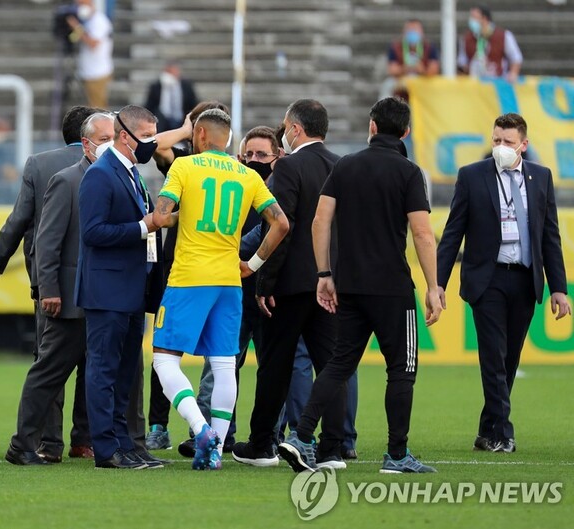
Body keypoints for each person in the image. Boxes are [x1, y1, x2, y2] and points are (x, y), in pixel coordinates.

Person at [277, 97, 443, 475]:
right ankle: (397, 455)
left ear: (371, 126)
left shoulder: (346, 166)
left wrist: (324, 275)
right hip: (392, 289)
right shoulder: (409, 172)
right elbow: (422, 232)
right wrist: (433, 286)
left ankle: (302, 436)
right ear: (406, 132)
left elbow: (320, 222)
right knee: (401, 369)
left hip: (349, 285)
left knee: (338, 365)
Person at [151, 109, 289, 470]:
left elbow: (162, 215)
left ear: (199, 134)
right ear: (228, 139)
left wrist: (182, 215)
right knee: (225, 364)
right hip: (230, 280)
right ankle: (214, 451)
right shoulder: (247, 175)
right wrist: (253, 264)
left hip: (189, 278)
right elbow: (281, 223)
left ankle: (201, 431)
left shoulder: (185, 167)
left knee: (164, 359)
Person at [437, 113, 570, 453]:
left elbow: (550, 235)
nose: (500, 147)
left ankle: (487, 430)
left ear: (523, 145)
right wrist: (438, 283)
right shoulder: (471, 176)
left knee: (509, 360)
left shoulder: (541, 177)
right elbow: (453, 233)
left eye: (508, 142)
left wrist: (558, 288)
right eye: (496, 140)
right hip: (488, 278)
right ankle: (504, 433)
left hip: (525, 277)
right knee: (493, 357)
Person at [0, 105, 96, 462]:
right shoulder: (112, 164)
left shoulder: (39, 164)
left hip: (49, 281)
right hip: (99, 281)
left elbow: (20, 219)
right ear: (88, 135)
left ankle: (49, 443)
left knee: (50, 361)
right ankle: (84, 440)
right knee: (92, 362)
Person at [232, 99, 346, 470]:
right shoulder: (341, 165)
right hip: (328, 283)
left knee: (275, 365)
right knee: (331, 365)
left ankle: (263, 444)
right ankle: (332, 449)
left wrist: (263, 280)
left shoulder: (290, 166)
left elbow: (281, 226)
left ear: (295, 130)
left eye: (285, 127)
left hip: (290, 286)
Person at [5, 112, 115, 465]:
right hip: (68, 297)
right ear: (86, 141)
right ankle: (25, 444)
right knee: (49, 371)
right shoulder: (66, 179)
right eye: (106, 136)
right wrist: (49, 288)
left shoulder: (119, 177)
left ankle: (87, 440)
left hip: (103, 296)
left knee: (99, 372)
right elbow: (46, 240)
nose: (114, 142)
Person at [76, 105, 161, 469]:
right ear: (125, 136)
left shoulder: (130, 172)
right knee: (103, 370)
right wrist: (146, 226)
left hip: (130, 288)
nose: (152, 144)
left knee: (125, 372)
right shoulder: (100, 174)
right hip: (107, 290)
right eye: (147, 136)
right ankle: (106, 450)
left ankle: (124, 443)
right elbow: (92, 232)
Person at [67, 0, 113, 108]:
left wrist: (76, 28)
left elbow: (93, 43)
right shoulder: (88, 21)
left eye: (82, 4)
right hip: (88, 71)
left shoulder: (99, 21)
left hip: (97, 73)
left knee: (98, 109)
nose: (79, 7)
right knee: (90, 107)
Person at [458, 5, 522, 82]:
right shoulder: (466, 39)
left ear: (484, 19)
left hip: (497, 83)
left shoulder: (504, 36)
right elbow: (462, 62)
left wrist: (513, 73)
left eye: (474, 17)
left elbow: (516, 58)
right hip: (475, 85)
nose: (471, 21)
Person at [380, 19, 440, 100]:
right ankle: (384, 110)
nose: (412, 32)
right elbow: (392, 69)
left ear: (421, 32)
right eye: (409, 30)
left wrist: (422, 70)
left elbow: (434, 69)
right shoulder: (396, 47)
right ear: (404, 32)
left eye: (415, 29)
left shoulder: (429, 47)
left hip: (422, 80)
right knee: (387, 85)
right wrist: (404, 69)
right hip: (402, 79)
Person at [144, 61, 199, 132]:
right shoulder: (156, 86)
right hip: (162, 121)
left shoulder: (186, 85)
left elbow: (193, 103)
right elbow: (149, 106)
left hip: (181, 120)